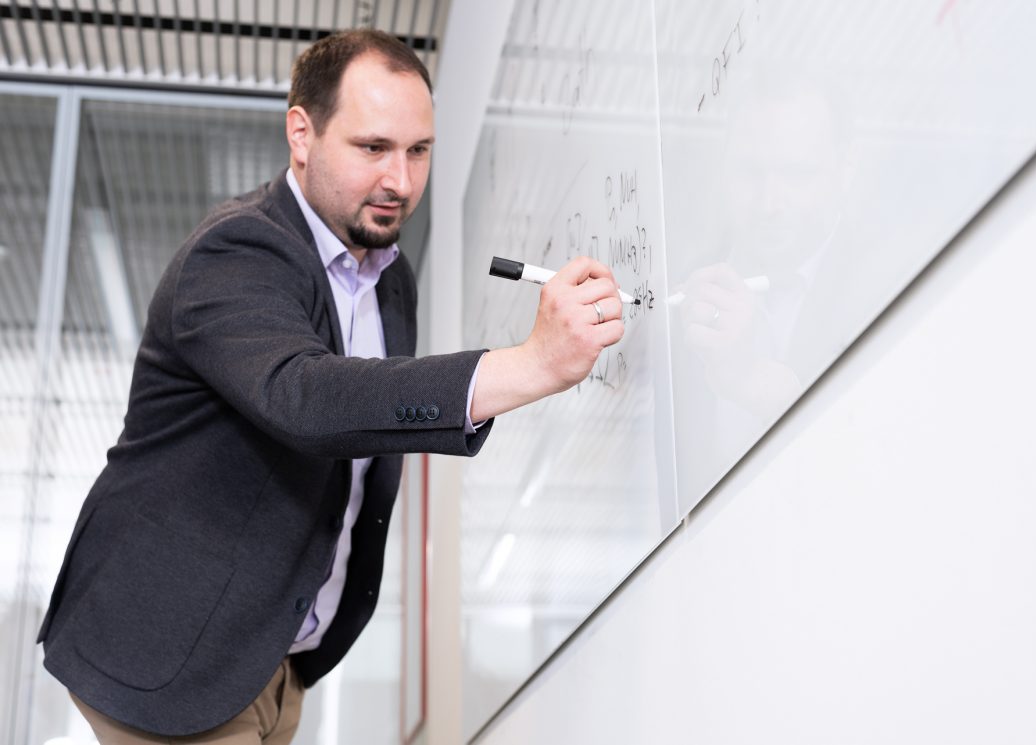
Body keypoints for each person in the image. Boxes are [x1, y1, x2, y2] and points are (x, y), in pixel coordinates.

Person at [37, 29, 625, 744]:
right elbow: (308, 399)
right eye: (373, 148)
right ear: (301, 134)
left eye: (419, 152)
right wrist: (534, 363)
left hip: (271, 660)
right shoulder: (237, 250)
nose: (401, 182)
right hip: (169, 650)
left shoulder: (388, 279)